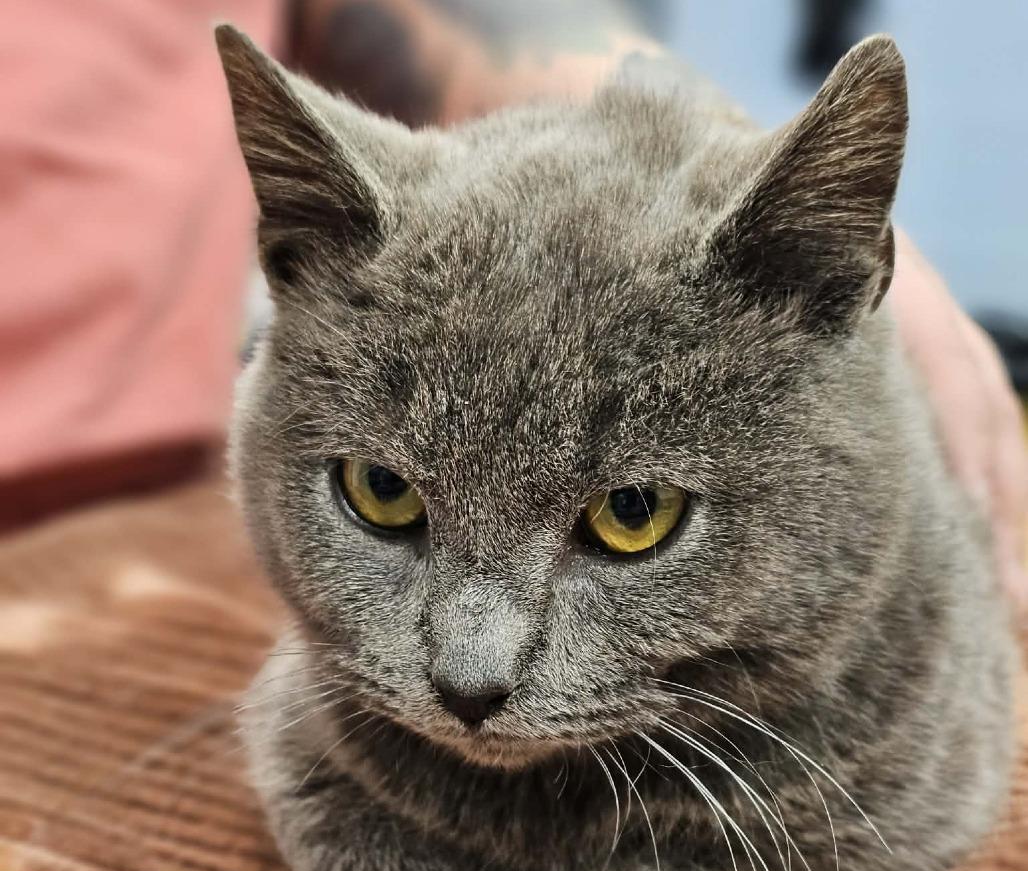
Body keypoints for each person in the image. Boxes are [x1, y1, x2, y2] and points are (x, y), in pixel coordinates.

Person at [3, 0, 1024, 636]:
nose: (471, 669)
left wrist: (717, 181)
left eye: (631, 512)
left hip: (126, 487)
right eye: (384, 492)